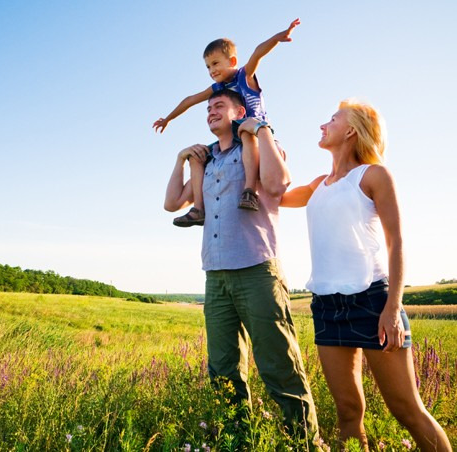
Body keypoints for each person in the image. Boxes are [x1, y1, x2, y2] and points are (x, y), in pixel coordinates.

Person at [280, 99, 452, 451]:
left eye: (331, 119)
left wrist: (392, 308)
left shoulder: (373, 175)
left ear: (351, 131)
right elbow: (274, 196)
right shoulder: (318, 185)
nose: (322, 125)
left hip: (373, 301)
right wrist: (260, 140)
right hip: (327, 306)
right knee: (347, 412)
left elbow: (396, 242)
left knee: (406, 409)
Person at [164, 89, 318, 442]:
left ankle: (303, 444)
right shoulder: (209, 161)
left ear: (238, 111)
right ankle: (237, 441)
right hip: (215, 276)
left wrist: (260, 129)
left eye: (218, 106)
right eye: (207, 109)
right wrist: (180, 159)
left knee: (279, 365)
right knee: (222, 370)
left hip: (256, 270)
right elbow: (172, 202)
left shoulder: (258, 146)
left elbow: (279, 184)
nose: (210, 112)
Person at [155, 19, 300, 225]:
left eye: (215, 64)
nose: (211, 70)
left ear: (231, 61)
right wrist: (168, 118)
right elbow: (190, 100)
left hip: (254, 131)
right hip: (232, 138)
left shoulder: (244, 76)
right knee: (197, 156)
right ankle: (199, 209)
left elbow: (257, 53)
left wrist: (278, 37)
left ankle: (249, 190)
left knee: (245, 132)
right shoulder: (217, 88)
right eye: (207, 67)